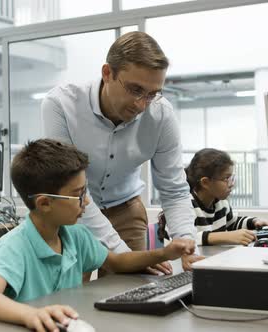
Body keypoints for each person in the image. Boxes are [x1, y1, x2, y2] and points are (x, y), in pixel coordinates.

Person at [0, 139, 195, 332]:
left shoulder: (75, 235)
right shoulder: (14, 246)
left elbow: (117, 262)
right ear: (44, 203)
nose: (86, 202)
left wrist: (164, 253)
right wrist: (30, 314)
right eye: (78, 195)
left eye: (85, 192)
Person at [42, 31, 202, 272]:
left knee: (132, 294)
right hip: (71, 212)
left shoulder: (161, 114)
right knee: (73, 297)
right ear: (107, 73)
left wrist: (189, 246)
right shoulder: (61, 105)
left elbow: (175, 190)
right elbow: (73, 192)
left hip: (126, 209)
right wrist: (129, 258)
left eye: (152, 93)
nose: (141, 104)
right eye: (135, 89)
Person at [158, 148, 268, 246]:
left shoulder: (220, 203)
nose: (232, 184)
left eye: (231, 178)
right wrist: (225, 236)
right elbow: (182, 241)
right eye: (226, 179)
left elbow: (232, 223)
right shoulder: (185, 205)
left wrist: (254, 222)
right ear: (206, 183)